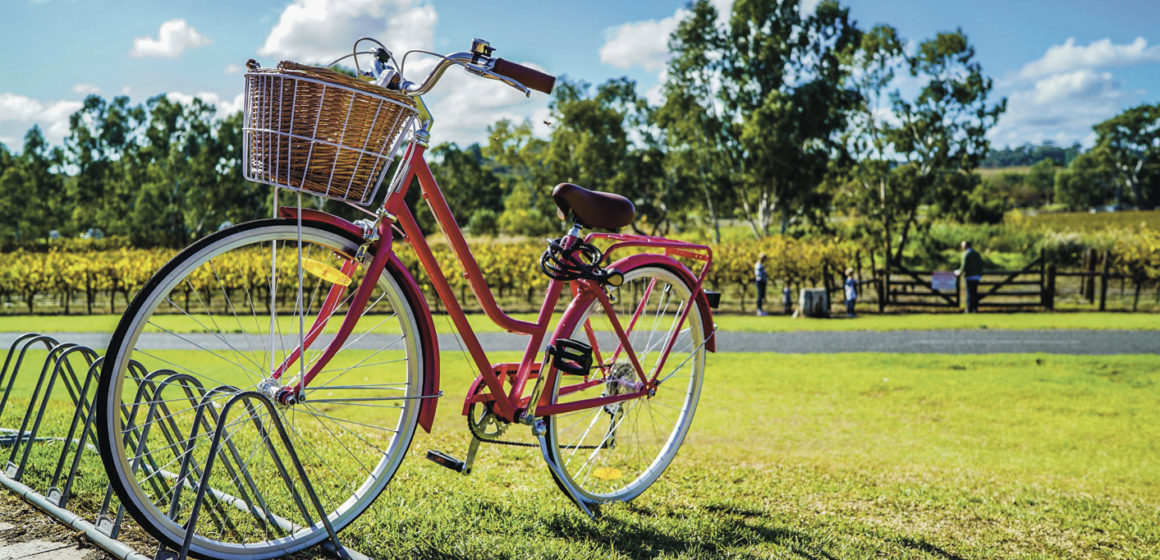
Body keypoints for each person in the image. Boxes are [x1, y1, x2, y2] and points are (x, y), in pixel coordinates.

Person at [954, 240, 983, 313]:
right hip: (977, 276)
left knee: (969, 293)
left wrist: (959, 272)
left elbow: (964, 265)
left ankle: (969, 309)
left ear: (967, 246)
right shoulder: (976, 253)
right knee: (975, 292)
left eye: (963, 246)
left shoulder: (966, 254)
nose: (962, 247)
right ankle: (975, 309)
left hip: (969, 276)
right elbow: (980, 264)